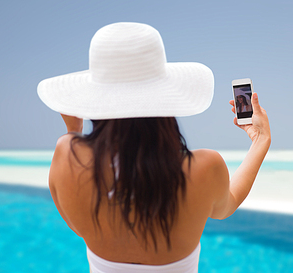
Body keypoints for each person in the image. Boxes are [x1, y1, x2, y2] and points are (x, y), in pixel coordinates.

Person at [38, 22, 270, 273]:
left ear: (96, 102)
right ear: (165, 97)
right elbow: (228, 204)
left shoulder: (67, 156)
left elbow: (76, 219)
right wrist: (260, 140)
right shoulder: (204, 168)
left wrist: (74, 132)